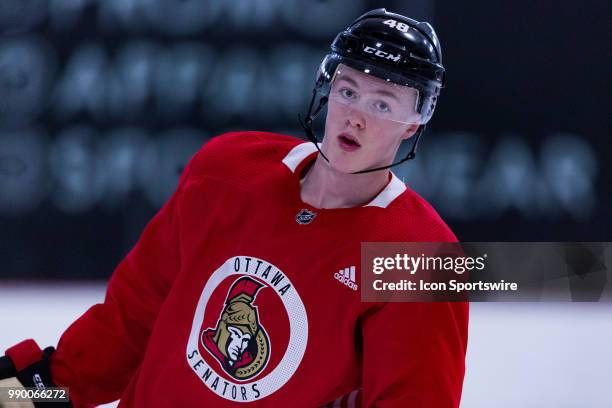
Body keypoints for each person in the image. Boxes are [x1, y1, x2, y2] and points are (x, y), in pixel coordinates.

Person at [0, 8, 468, 408]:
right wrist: (17, 395)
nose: (356, 116)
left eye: (383, 104)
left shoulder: (422, 261)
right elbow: (128, 328)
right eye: (348, 91)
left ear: (414, 123)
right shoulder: (227, 172)